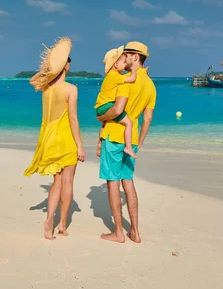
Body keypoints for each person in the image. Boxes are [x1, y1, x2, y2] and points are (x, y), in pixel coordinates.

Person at [24, 37, 86, 240]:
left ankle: (49, 218)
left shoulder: (46, 88)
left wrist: (48, 70)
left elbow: (33, 80)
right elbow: (74, 120)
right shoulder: (71, 89)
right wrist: (80, 146)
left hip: (50, 139)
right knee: (68, 183)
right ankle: (62, 225)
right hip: (66, 139)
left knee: (56, 183)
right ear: (66, 66)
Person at [96, 41, 156, 244]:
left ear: (135, 57)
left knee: (113, 183)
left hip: (114, 135)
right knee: (128, 183)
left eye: (127, 55)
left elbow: (114, 109)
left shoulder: (124, 80)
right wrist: (138, 142)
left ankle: (119, 232)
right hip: (132, 140)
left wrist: (101, 119)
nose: (124, 58)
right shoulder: (150, 84)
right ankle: (136, 232)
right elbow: (147, 119)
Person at [95, 46, 138, 159]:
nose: (125, 65)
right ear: (116, 65)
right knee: (129, 123)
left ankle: (99, 144)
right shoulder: (115, 76)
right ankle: (128, 147)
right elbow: (132, 79)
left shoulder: (110, 76)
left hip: (101, 106)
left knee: (104, 124)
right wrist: (133, 69)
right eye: (124, 62)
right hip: (106, 105)